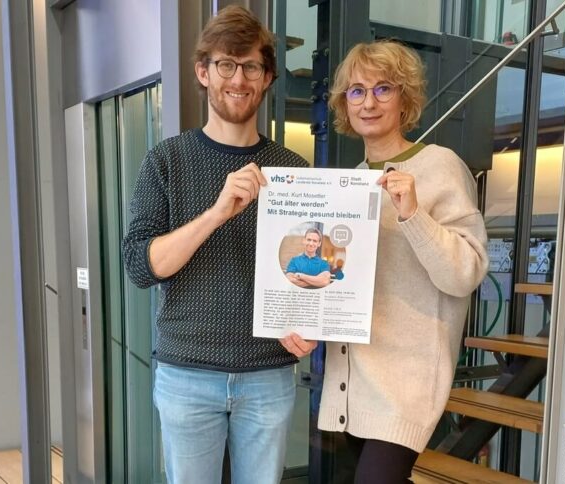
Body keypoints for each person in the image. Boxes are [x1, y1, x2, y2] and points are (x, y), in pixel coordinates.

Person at [279, 40, 489, 483]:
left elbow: (466, 272)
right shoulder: (351, 182)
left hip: (405, 383)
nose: (368, 102)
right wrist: (307, 323)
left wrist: (413, 213)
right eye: (356, 91)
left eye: (383, 89)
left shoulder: (440, 167)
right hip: (353, 381)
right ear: (344, 104)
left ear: (405, 98)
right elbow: (340, 279)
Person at [121, 6, 310, 484]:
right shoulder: (166, 160)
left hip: (268, 373)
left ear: (267, 78)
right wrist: (215, 213)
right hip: (187, 375)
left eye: (251, 67)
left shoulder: (294, 171)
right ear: (203, 72)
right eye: (226, 64)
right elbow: (140, 266)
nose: (238, 78)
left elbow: (316, 265)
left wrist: (314, 326)